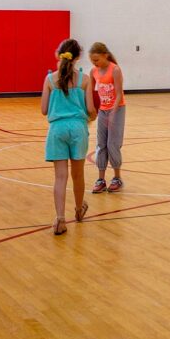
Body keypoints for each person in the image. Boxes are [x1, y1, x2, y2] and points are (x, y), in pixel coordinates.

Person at [41, 37, 97, 235]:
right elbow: (90, 109)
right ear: (78, 57)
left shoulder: (50, 79)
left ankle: (60, 219)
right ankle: (79, 210)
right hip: (78, 129)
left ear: (59, 55)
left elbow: (44, 110)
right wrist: (92, 116)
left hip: (57, 129)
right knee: (78, 175)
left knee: (60, 177)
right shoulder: (85, 80)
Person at [87, 42, 127, 193]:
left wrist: (113, 113)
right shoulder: (93, 71)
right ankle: (101, 179)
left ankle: (117, 178)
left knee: (112, 144)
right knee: (101, 144)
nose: (94, 63)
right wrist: (91, 110)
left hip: (117, 110)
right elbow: (91, 93)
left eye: (97, 60)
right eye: (92, 60)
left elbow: (119, 95)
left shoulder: (115, 70)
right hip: (102, 111)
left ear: (105, 55)